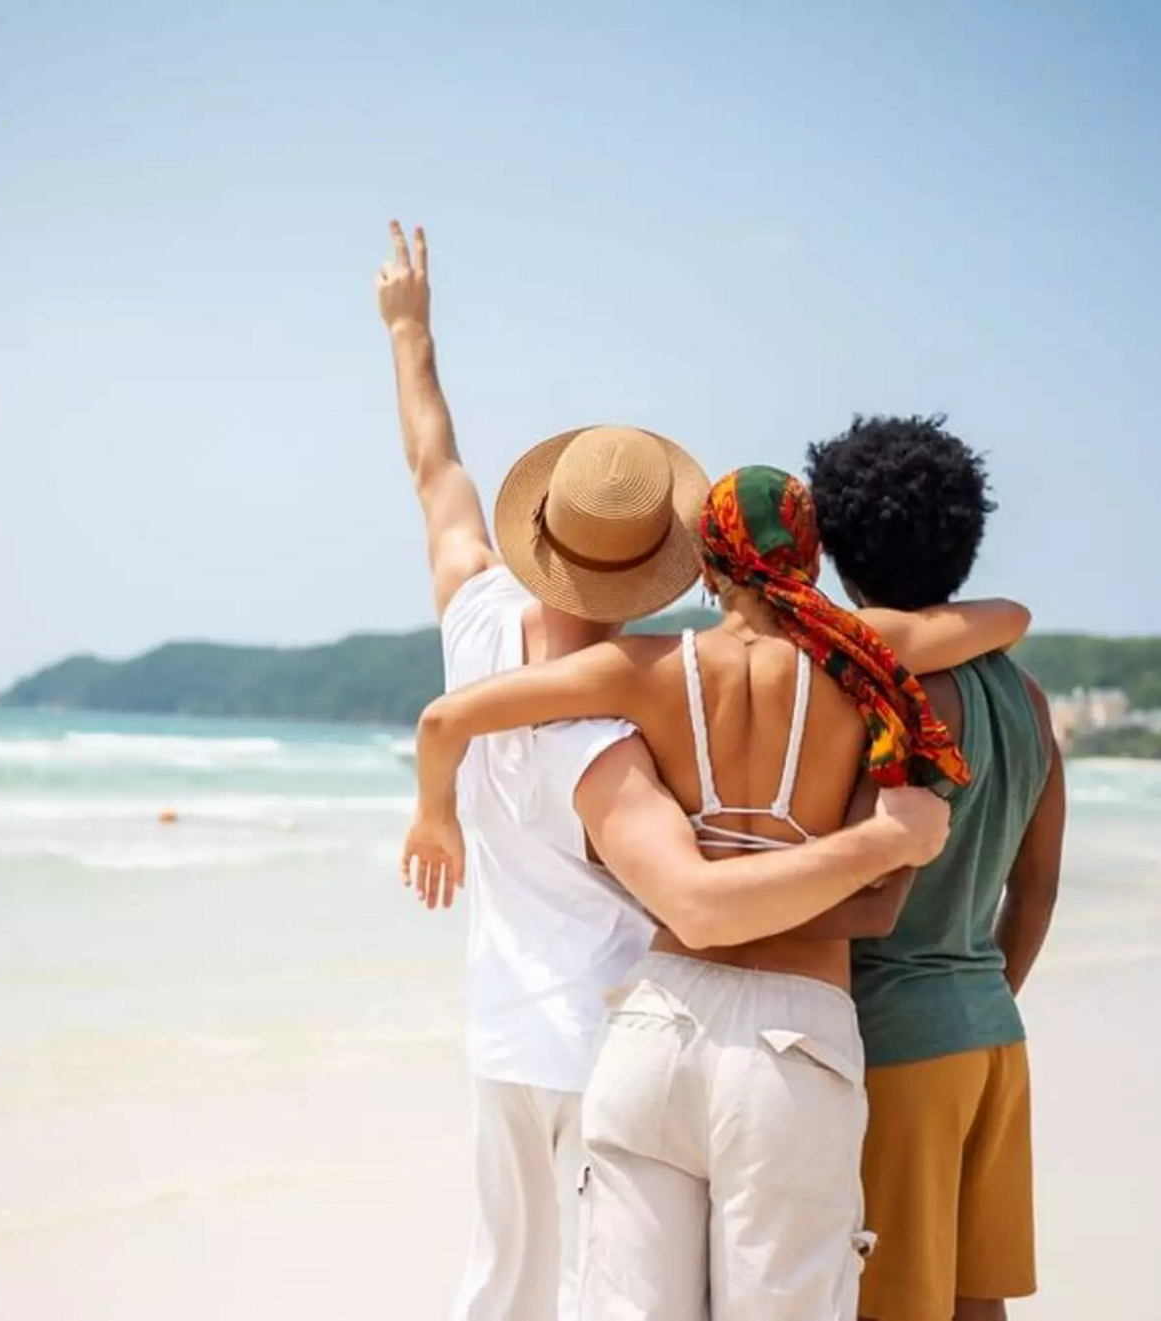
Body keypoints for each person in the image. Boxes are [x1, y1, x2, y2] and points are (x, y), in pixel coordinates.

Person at [378, 226, 958, 1321]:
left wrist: (409, 329)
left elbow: (434, 471)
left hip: (518, 1034)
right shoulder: (616, 737)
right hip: (616, 1027)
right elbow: (700, 899)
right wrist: (885, 842)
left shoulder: (497, 621)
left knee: (503, 1287)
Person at [404, 464, 1031, 1320]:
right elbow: (1009, 618)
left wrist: (435, 816)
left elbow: (444, 720)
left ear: (706, 566)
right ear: (811, 558)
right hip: (792, 1041)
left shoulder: (644, 666)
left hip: (657, 1028)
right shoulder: (862, 656)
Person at [806, 416, 1066, 1321]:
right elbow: (1036, 887)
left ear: (839, 552)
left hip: (894, 1041)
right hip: (992, 1031)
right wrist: (982, 991)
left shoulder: (877, 692)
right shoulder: (1027, 697)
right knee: (974, 1300)